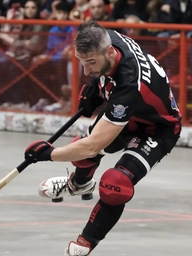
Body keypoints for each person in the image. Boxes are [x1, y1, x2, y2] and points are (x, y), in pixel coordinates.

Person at [24, 21, 182, 256]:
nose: (86, 70)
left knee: (115, 183)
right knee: (81, 147)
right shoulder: (104, 38)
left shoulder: (130, 85)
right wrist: (94, 86)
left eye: (91, 63)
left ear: (109, 52)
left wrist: (48, 154)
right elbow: (95, 47)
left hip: (157, 129)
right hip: (132, 114)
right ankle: (78, 185)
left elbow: (93, 146)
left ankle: (86, 242)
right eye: (81, 62)